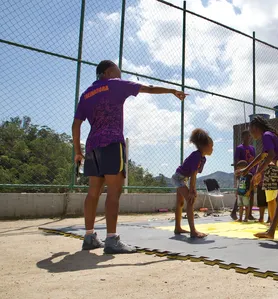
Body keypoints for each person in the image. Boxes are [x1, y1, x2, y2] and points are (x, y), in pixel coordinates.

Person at [73, 60, 187, 254]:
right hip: (111, 142)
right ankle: (111, 239)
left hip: (92, 145)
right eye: (118, 71)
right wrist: (172, 91)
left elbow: (76, 125)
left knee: (93, 192)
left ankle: (89, 236)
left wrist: (78, 151)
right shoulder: (116, 84)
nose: (120, 73)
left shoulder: (87, 93)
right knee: (114, 191)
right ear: (108, 72)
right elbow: (149, 89)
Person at [172, 129, 213, 238]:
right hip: (179, 178)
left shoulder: (202, 158)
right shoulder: (197, 156)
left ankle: (177, 228)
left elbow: (193, 174)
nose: (212, 149)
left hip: (183, 178)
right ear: (207, 145)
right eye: (212, 146)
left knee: (180, 203)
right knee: (190, 201)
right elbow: (193, 174)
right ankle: (193, 231)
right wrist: (191, 190)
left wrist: (192, 188)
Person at [231, 130, 256, 220]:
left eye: (249, 136)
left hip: (251, 173)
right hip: (242, 174)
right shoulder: (239, 148)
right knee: (241, 192)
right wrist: (237, 172)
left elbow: (254, 160)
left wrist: (256, 172)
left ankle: (249, 214)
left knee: (251, 192)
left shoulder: (252, 148)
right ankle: (234, 211)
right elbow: (236, 160)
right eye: (246, 136)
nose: (248, 138)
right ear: (243, 137)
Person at [262, 161, 278, 227]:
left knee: (277, 201)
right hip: (268, 179)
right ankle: (272, 221)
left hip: (277, 178)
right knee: (270, 201)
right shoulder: (266, 157)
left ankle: (275, 221)